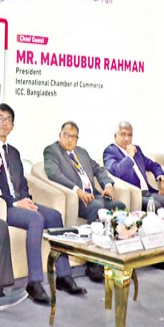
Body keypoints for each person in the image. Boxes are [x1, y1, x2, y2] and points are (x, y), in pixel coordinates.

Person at [0, 104, 82, 303]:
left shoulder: (13, 152)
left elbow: (22, 183)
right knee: (36, 219)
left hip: (21, 202)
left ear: (13, 125)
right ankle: (34, 282)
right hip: (5, 206)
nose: (4, 123)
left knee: (55, 216)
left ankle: (64, 276)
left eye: (8, 120)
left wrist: (27, 200)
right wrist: (16, 203)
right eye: (0, 118)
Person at [43, 121, 126, 282]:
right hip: (77, 200)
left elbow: (99, 170)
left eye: (73, 137)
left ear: (77, 139)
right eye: (66, 135)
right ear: (60, 135)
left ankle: (114, 257)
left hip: (94, 196)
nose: (69, 139)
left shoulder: (82, 152)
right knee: (97, 206)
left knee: (119, 207)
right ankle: (93, 264)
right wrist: (77, 190)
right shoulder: (52, 151)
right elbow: (53, 173)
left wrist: (108, 185)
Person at [102, 120, 164, 215]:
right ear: (115, 136)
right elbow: (115, 170)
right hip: (135, 195)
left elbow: (153, 165)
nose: (126, 138)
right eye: (123, 134)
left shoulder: (136, 150)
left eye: (129, 135)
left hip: (148, 193)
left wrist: (162, 178)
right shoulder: (110, 151)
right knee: (155, 207)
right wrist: (129, 156)